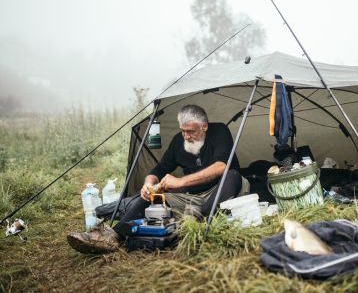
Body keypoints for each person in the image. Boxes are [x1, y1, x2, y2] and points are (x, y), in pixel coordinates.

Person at [67, 104, 245, 254]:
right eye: (182, 131)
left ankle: (203, 223)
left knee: (232, 174)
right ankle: (113, 236)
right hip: (193, 198)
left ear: (204, 127)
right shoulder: (178, 141)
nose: (186, 136)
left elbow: (222, 166)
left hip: (224, 190)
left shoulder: (219, 131)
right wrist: (148, 183)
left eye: (190, 132)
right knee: (152, 198)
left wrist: (181, 182)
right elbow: (159, 169)